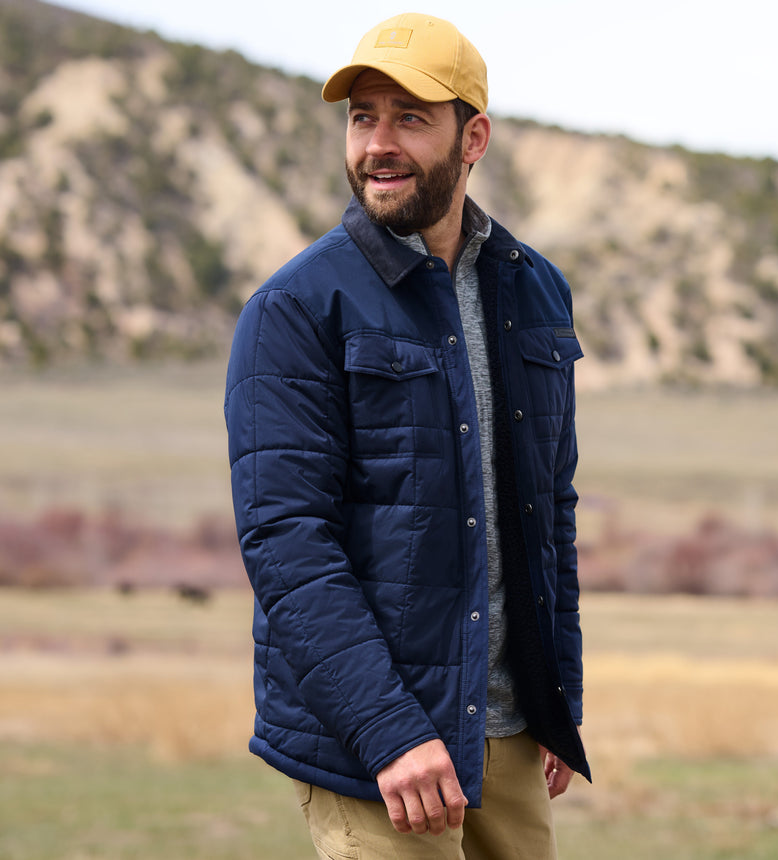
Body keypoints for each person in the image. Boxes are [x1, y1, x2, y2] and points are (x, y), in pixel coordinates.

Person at [225, 12, 590, 859]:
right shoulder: (297, 308)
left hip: (507, 731)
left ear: (474, 137)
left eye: (410, 118)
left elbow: (548, 509)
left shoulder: (536, 291)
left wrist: (555, 691)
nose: (377, 144)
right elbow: (287, 543)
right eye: (362, 117)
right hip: (376, 749)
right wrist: (389, 730)